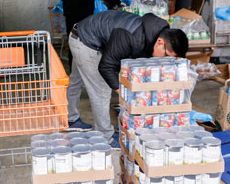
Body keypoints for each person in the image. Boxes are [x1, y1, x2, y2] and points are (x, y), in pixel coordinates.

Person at [67, 10, 188, 147]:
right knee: (101, 90)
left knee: (76, 81)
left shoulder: (154, 32)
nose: (164, 60)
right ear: (160, 43)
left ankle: (70, 118)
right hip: (86, 42)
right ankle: (105, 136)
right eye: (166, 56)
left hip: (82, 31)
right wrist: (123, 92)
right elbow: (106, 67)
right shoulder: (132, 37)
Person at [60, 0, 122, 132]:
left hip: (72, 29)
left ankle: (70, 117)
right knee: (98, 85)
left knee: (75, 73)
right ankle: (105, 132)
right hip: (89, 31)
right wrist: (117, 0)